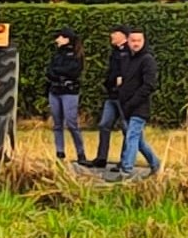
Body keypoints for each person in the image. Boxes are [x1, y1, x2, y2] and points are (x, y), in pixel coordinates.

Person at [108, 25, 161, 180]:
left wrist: (133, 101)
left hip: (140, 107)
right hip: (126, 106)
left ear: (144, 41)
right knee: (138, 140)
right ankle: (156, 164)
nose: (136, 43)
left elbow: (149, 85)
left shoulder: (148, 60)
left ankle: (126, 171)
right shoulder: (127, 59)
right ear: (128, 41)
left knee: (131, 137)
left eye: (139, 40)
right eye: (133, 40)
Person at [84, 28, 128, 169]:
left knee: (126, 128)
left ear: (123, 36)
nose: (111, 36)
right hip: (111, 95)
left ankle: (125, 160)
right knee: (104, 124)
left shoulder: (129, 52)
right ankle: (101, 158)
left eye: (115, 33)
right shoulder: (114, 52)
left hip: (124, 96)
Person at [47, 28, 88, 166]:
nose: (56, 40)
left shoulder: (76, 55)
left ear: (66, 39)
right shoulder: (57, 54)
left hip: (69, 91)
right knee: (57, 124)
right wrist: (59, 73)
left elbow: (73, 72)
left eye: (59, 37)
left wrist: (58, 72)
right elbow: (50, 71)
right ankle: (59, 152)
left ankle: (81, 152)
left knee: (71, 123)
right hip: (55, 90)